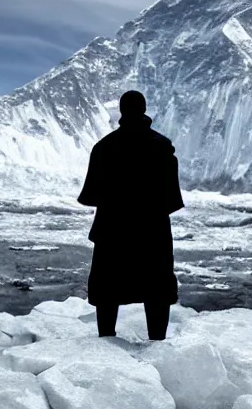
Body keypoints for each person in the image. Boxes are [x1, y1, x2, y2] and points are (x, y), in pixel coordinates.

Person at [77, 90, 184, 340]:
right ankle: (157, 340)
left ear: (122, 111)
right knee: (156, 289)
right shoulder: (163, 148)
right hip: (153, 231)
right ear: (144, 109)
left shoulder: (103, 148)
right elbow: (172, 199)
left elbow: (90, 196)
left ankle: (106, 340)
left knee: (108, 288)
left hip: (111, 230)